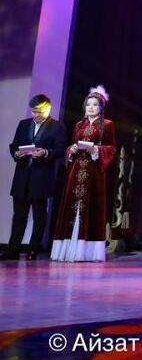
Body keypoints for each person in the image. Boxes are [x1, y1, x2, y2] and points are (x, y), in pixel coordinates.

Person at [50, 87, 117, 262]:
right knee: (71, 206)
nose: (91, 107)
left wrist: (96, 149)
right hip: (76, 169)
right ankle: (67, 249)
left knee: (91, 206)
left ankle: (86, 251)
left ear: (101, 108)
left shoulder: (107, 125)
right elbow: (71, 145)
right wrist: (71, 150)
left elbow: (111, 149)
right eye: (88, 104)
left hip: (94, 171)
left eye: (95, 105)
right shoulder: (79, 125)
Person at [3, 95, 68, 261]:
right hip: (22, 177)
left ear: (48, 109)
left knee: (39, 216)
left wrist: (45, 152)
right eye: (33, 111)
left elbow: (60, 149)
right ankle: (12, 250)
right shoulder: (23, 124)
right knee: (19, 216)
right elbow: (14, 145)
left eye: (40, 111)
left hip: (41, 177)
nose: (36, 115)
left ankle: (33, 250)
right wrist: (16, 153)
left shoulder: (57, 126)